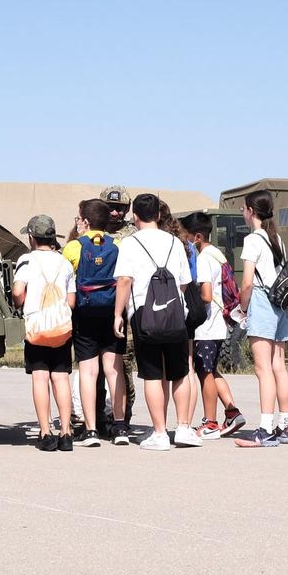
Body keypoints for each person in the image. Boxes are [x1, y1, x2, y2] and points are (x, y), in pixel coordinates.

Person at [112, 193, 201, 451]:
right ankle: (183, 427)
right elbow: (184, 283)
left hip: (144, 314)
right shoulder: (175, 242)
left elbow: (124, 281)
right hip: (175, 315)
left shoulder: (130, 244)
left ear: (135, 216)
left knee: (152, 374)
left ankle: (160, 433)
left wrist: (118, 314)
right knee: (180, 372)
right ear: (159, 215)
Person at [231, 191, 288, 448]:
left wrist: (242, 309)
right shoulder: (276, 238)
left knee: (263, 368)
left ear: (250, 211)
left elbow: (247, 282)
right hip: (282, 303)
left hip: (261, 301)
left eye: (243, 210)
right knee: (279, 364)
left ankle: (265, 429)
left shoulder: (252, 240)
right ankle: (284, 425)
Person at [66, 199, 128, 447]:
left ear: (86, 221)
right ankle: (120, 426)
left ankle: (91, 429)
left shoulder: (73, 248)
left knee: (89, 372)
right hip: (114, 314)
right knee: (115, 371)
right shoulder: (119, 245)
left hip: (85, 314)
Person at [14, 214, 77, 452]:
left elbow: (18, 291)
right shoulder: (64, 263)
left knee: (40, 377)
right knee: (61, 378)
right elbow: (71, 301)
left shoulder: (26, 260)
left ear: (31, 237)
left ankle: (45, 431)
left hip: (37, 327)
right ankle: (66, 432)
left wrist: (22, 301)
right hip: (61, 328)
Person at [181, 213, 245, 437]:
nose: (185, 240)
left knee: (204, 372)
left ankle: (210, 422)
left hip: (207, 324)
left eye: (186, 236)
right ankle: (232, 411)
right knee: (212, 370)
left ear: (197, 237)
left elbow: (207, 295)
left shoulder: (204, 258)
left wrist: (191, 295)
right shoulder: (218, 254)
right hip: (219, 323)